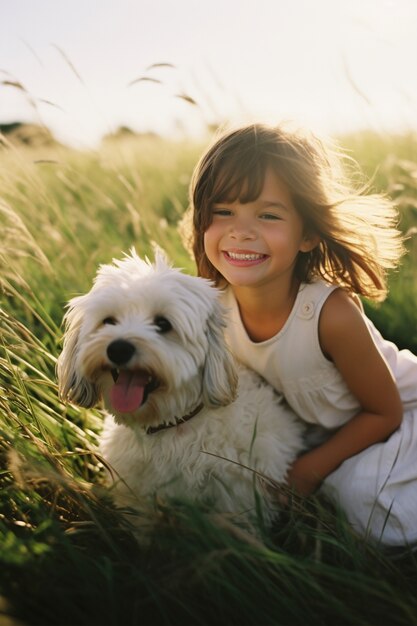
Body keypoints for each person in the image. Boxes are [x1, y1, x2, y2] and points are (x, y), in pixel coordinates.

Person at [186, 121, 417, 547]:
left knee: (364, 506)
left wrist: (307, 472)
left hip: (398, 421)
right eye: (223, 212)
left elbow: (384, 412)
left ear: (308, 234)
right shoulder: (211, 306)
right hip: (327, 434)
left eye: (268, 215)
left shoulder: (328, 314)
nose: (242, 231)